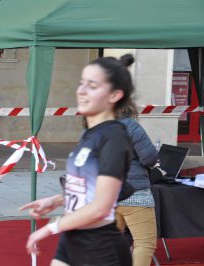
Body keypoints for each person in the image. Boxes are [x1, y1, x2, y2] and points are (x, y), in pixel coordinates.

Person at [19, 54, 136, 266]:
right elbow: (95, 187)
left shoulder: (114, 137)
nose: (81, 91)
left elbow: (101, 206)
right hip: (72, 238)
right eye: (81, 83)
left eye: (92, 85)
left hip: (101, 248)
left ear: (114, 95)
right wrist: (57, 200)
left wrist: (50, 228)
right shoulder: (89, 134)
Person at [116, 102, 158, 266]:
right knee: (144, 244)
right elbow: (149, 157)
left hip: (108, 195)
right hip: (135, 194)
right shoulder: (131, 126)